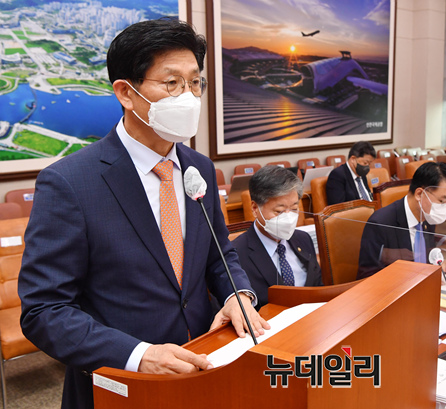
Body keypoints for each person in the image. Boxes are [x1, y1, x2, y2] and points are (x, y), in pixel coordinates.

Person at [18, 19, 269, 409]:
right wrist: (138, 355)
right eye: (172, 83)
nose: (188, 96)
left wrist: (238, 295)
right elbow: (44, 310)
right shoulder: (69, 182)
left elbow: (220, 254)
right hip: (121, 384)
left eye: (195, 83)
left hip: (204, 362)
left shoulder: (200, 168)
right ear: (126, 93)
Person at [233, 166, 322, 309]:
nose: (288, 218)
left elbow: (318, 287)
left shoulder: (303, 239)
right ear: (255, 208)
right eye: (279, 211)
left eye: (294, 209)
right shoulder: (235, 254)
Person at [358, 162, 446, 279]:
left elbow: (422, 255)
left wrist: (441, 263)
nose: (445, 208)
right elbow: (367, 276)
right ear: (419, 194)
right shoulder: (380, 223)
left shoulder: (428, 216)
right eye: (442, 201)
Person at [326, 141, 376, 205]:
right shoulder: (337, 175)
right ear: (353, 159)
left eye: (369, 164)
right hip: (357, 210)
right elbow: (338, 207)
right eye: (365, 163)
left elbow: (368, 196)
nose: (367, 167)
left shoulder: (361, 173)